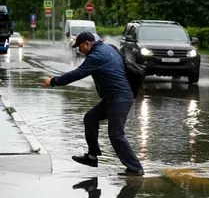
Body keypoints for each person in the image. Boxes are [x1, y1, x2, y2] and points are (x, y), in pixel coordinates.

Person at [42, 31, 144, 176]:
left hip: (119, 97)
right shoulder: (108, 48)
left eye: (80, 47)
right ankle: (92, 156)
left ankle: (135, 168)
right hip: (114, 97)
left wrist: (53, 81)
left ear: (87, 44)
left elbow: (76, 74)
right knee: (90, 118)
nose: (80, 50)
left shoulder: (96, 57)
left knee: (116, 135)